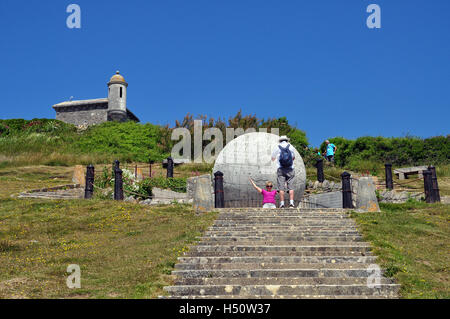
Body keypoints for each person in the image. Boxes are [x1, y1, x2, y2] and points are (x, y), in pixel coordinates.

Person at [271, 135, 296, 208]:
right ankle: (291, 203)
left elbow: (273, 158)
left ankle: (282, 204)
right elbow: (293, 157)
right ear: (286, 140)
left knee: (281, 187)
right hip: (290, 168)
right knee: (291, 187)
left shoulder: (277, 147)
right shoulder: (291, 146)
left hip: (281, 169)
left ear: (280, 140)